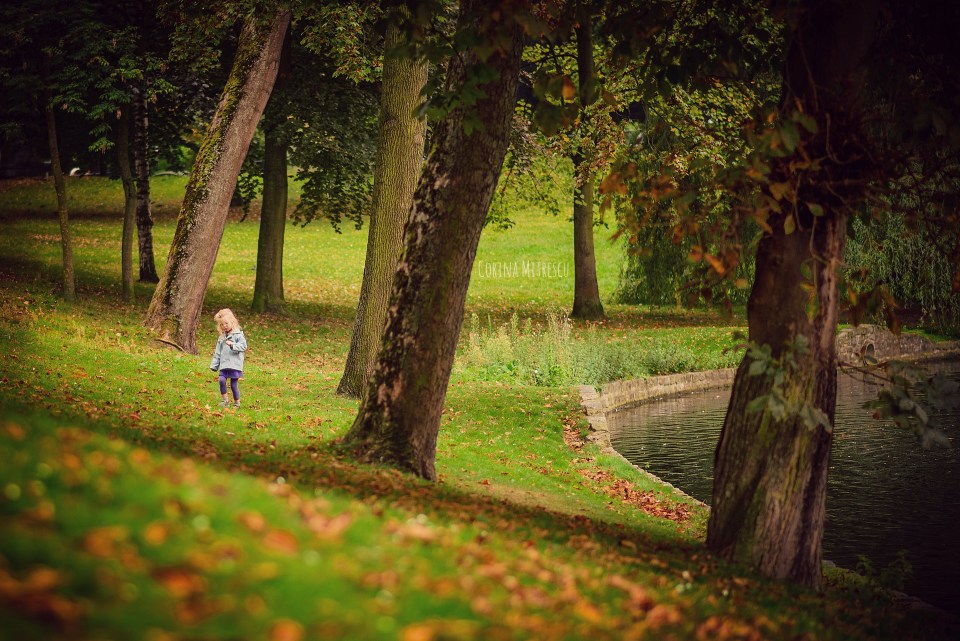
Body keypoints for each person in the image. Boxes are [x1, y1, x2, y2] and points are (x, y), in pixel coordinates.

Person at [210, 308, 247, 409]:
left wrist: (233, 345)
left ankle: (237, 403)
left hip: (234, 365)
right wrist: (214, 365)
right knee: (221, 380)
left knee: (233, 385)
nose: (224, 326)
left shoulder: (238, 335)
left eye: (226, 323)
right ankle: (225, 400)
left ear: (233, 322)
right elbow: (218, 352)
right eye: (221, 324)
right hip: (224, 364)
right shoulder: (221, 337)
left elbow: (244, 346)